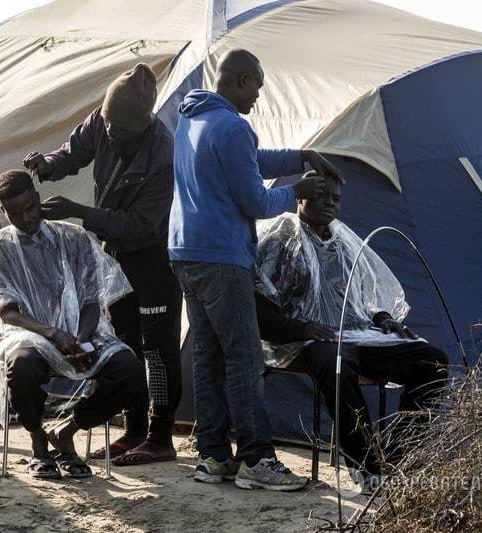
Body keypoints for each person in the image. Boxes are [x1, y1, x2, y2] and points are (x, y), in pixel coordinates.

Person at [168, 48, 344, 491]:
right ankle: (256, 459)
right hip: (222, 257)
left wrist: (301, 155)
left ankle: (212, 456)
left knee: (208, 356)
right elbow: (256, 202)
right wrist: (296, 192)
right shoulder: (232, 125)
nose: (259, 98)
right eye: (258, 87)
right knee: (245, 357)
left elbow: (247, 162)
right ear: (242, 80)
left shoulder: (193, 118)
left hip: (186, 253)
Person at [22, 64, 182, 465]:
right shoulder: (105, 118)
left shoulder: (164, 152)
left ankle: (161, 436)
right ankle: (133, 431)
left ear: (143, 125)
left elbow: (142, 224)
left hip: (153, 256)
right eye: (107, 125)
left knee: (158, 350)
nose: (110, 135)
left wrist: (81, 212)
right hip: (117, 256)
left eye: (120, 132)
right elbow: (74, 151)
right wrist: (50, 166)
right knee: (125, 344)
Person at [0, 170, 147, 479]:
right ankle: (38, 438)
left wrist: (81, 338)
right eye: (16, 214)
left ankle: (68, 430)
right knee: (22, 366)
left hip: (78, 329)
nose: (27, 218)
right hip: (26, 334)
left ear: (39, 199)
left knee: (129, 370)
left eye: (31, 208)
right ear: (4, 212)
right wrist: (53, 334)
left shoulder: (73, 238)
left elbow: (91, 301)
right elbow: (8, 313)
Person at [254, 173, 449, 490]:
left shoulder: (342, 243)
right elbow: (261, 311)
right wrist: (306, 327)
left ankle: (397, 459)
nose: (329, 204)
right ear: (301, 196)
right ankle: (367, 467)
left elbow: (361, 301)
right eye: (321, 196)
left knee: (432, 360)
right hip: (297, 341)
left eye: (336, 198)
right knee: (337, 362)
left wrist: (384, 318)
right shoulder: (281, 239)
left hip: (352, 335)